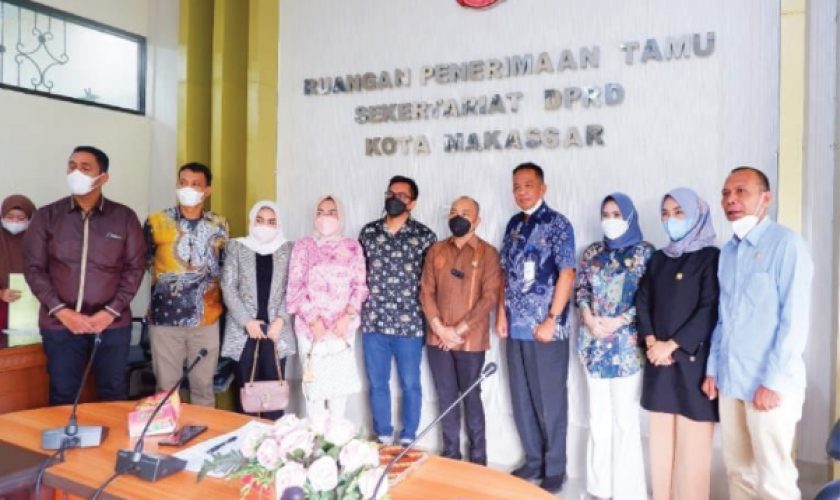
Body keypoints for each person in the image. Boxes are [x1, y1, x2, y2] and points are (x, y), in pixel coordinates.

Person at [703, 167, 813, 500]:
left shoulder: (786, 245)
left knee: (774, 480)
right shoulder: (728, 253)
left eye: (741, 191)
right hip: (732, 380)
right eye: (725, 193)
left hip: (769, 385)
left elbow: (795, 321)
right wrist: (713, 368)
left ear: (766, 198)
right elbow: (723, 318)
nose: (731, 199)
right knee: (739, 473)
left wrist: (773, 381)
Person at [23, 146, 145, 404]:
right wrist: (61, 311)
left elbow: (134, 269)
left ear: (103, 177)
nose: (75, 172)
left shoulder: (124, 217)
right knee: (63, 395)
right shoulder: (47, 216)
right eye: (72, 166)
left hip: (111, 325)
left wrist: (110, 312)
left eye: (85, 167)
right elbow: (34, 269)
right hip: (60, 325)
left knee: (113, 394)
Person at [496, 162, 576, 493]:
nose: (521, 191)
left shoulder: (558, 224)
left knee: (550, 401)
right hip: (515, 326)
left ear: (543, 188)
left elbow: (567, 273)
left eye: (528, 185)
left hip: (546, 329)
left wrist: (552, 319)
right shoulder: (513, 224)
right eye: (516, 186)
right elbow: (504, 273)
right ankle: (533, 460)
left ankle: (555, 467)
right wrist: (501, 314)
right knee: (522, 397)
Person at [636, 188, 720, 500]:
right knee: (660, 448)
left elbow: (709, 308)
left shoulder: (711, 257)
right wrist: (651, 342)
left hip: (692, 364)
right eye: (666, 213)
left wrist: (670, 345)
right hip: (659, 363)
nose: (671, 219)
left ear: (697, 214)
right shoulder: (659, 259)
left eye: (679, 212)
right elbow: (643, 301)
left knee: (693, 450)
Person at [575, 193, 653, 500]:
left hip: (626, 350)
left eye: (617, 214)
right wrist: (588, 317)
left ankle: (627, 492)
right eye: (605, 214)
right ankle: (599, 488)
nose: (610, 219)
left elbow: (649, 297)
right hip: (593, 345)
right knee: (597, 420)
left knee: (624, 422)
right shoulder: (592, 252)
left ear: (630, 217)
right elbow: (582, 290)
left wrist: (619, 321)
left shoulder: (645, 252)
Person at [419, 196, 501, 465]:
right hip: (438, 339)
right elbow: (426, 292)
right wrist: (440, 328)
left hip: (471, 341)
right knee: (446, 396)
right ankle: (451, 455)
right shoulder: (436, 251)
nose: (458, 217)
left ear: (477, 221)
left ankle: (478, 459)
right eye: (454, 211)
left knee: (471, 397)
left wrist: (458, 330)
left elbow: (489, 298)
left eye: (465, 213)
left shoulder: (488, 253)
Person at [359, 175, 436, 446]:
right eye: (391, 193)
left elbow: (431, 283)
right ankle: (382, 434)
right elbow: (358, 276)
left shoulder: (425, 237)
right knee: (377, 383)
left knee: (410, 383)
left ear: (412, 203)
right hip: (374, 322)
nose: (394, 199)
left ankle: (408, 437)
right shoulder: (368, 233)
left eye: (402, 196)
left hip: (410, 324)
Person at [144, 162, 228, 407]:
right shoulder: (156, 221)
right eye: (183, 183)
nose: (187, 188)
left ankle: (202, 431)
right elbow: (145, 263)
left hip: (206, 320)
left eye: (195, 184)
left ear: (207, 190)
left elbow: (223, 266)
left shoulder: (219, 224)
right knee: (166, 391)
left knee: (203, 388)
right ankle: (167, 430)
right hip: (165, 321)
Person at [286, 196, 368, 420]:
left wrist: (347, 317)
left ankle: (335, 437)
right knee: (314, 390)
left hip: (343, 329)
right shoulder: (304, 246)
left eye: (332, 212)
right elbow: (295, 287)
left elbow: (359, 286)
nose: (325, 217)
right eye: (320, 212)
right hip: (311, 329)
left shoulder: (352, 247)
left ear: (340, 216)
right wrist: (314, 321)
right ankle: (316, 437)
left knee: (338, 390)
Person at [220, 201, 295, 420]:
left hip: (275, 331)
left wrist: (280, 320)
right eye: (260, 220)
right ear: (252, 221)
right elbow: (228, 287)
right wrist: (247, 321)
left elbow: (293, 288)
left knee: (274, 391)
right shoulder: (236, 247)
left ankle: (272, 437)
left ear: (278, 224)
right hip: (244, 331)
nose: (265, 226)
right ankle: (246, 437)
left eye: (271, 222)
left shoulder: (288, 249)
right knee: (247, 391)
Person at [0, 195, 36, 332]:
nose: (15, 221)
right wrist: (1, 293)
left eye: (21, 218)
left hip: (31, 309)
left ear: (30, 219)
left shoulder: (40, 242)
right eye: (9, 217)